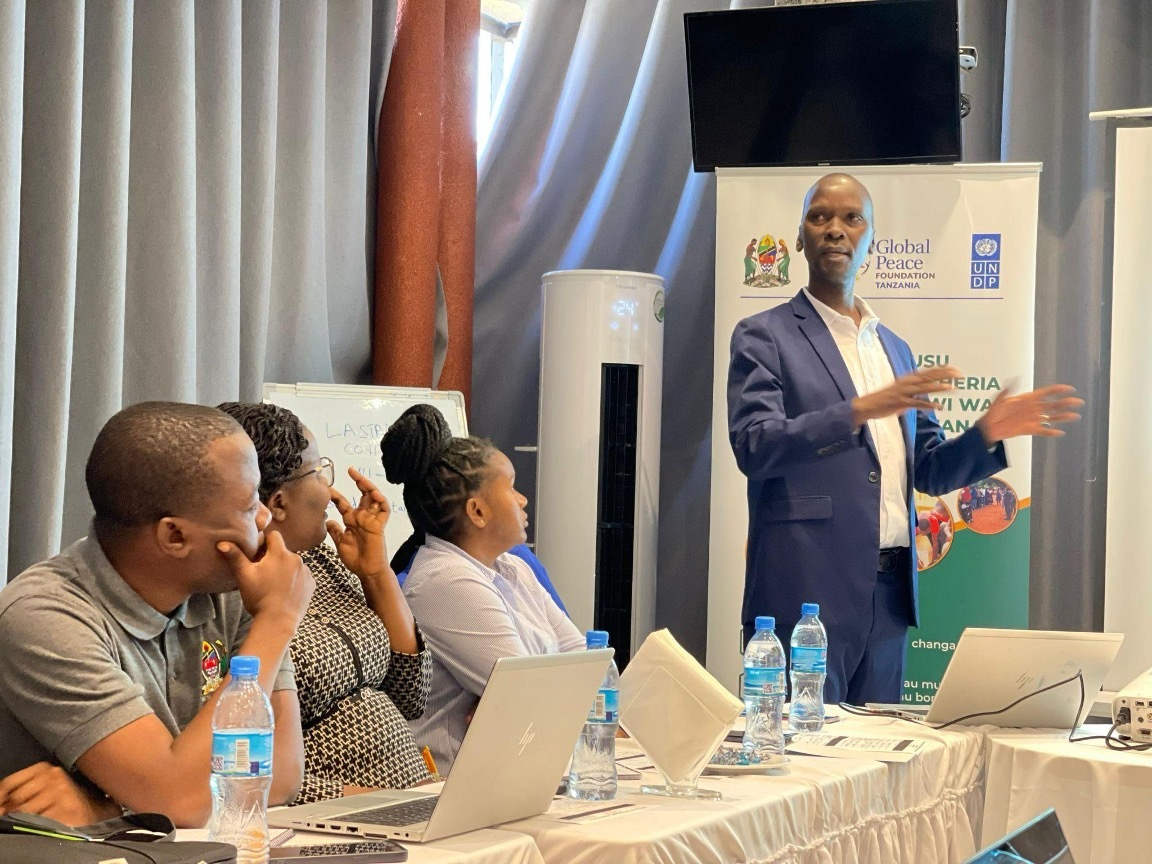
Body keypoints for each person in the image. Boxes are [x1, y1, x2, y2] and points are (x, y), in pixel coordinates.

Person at [727, 173, 1083, 704]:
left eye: (852, 219)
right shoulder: (764, 335)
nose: (834, 230)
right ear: (798, 237)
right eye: (819, 216)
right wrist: (860, 410)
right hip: (806, 593)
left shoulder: (895, 349)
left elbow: (930, 470)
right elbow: (755, 445)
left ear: (871, 240)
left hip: (889, 598)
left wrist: (986, 433)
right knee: (807, 765)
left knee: (878, 777)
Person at [0, 402, 313, 827]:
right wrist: (276, 622)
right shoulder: (43, 617)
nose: (265, 518)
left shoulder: (233, 590)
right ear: (175, 535)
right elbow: (182, 802)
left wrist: (115, 807)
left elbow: (282, 775)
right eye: (247, 506)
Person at [219, 402, 433, 802]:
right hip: (325, 820)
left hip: (410, 800)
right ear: (278, 502)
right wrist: (371, 801)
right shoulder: (230, 592)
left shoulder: (321, 562)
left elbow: (412, 695)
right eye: (318, 472)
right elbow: (238, 766)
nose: (332, 490)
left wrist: (374, 571)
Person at [381, 404, 584, 774]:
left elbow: (583, 661)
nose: (523, 500)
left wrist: (516, 702)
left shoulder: (512, 566)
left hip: (520, 769)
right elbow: (527, 693)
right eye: (510, 488)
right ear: (477, 511)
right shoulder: (446, 581)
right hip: (454, 790)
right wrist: (519, 700)